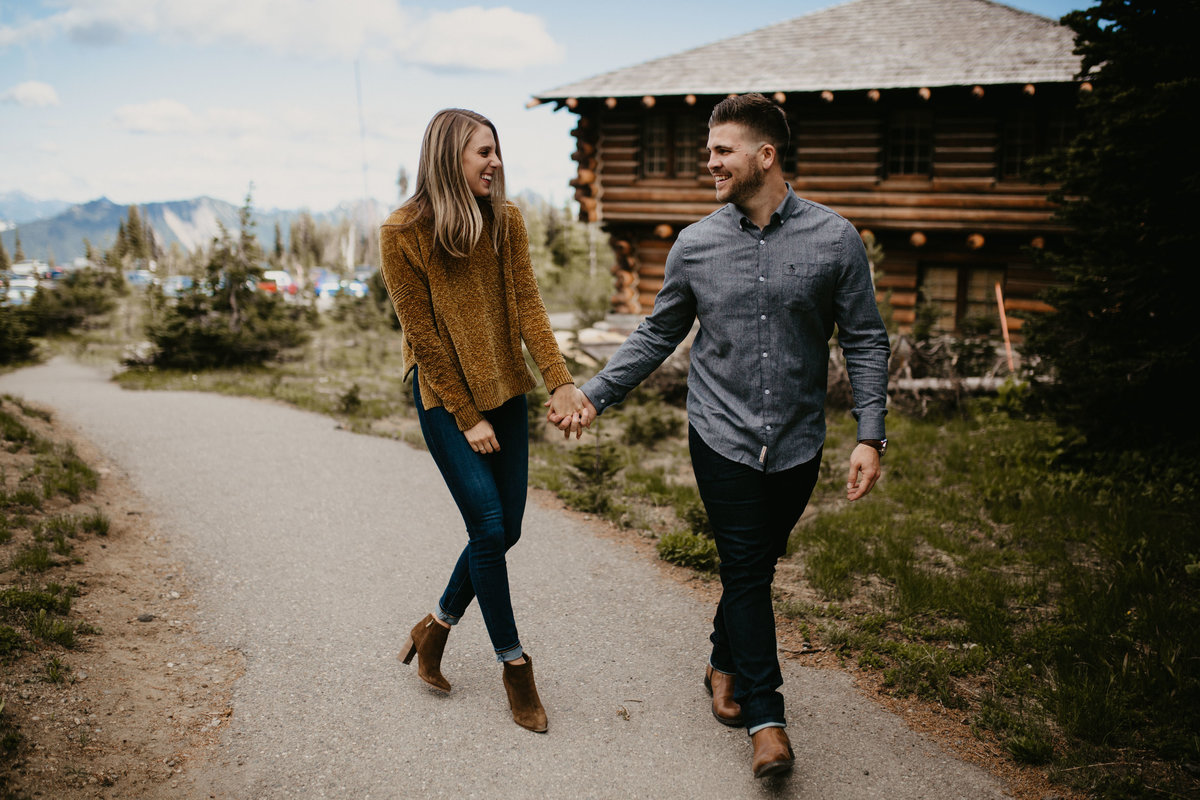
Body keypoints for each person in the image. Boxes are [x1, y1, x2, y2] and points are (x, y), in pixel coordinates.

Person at [551, 93, 890, 776]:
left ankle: (720, 663)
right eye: (709, 151)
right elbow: (656, 333)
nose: (709, 162)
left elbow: (864, 340)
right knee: (743, 564)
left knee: (755, 568)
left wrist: (869, 434)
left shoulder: (835, 240)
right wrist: (594, 395)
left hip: (797, 440)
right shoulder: (697, 244)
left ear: (765, 155)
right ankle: (768, 722)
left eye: (722, 151)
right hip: (721, 433)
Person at [380, 107, 589, 733]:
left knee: (508, 529)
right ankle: (514, 666)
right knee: (490, 524)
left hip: (505, 390)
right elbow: (423, 336)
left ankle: (435, 627)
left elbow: (528, 305)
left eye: (496, 151)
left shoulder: (506, 220)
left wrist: (560, 380)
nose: (495, 163)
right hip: (446, 399)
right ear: (449, 158)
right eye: (482, 153)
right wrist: (467, 416)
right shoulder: (402, 232)